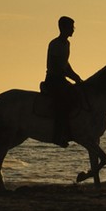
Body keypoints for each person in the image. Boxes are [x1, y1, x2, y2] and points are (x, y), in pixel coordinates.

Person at [40, 16, 82, 147]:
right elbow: (57, 66)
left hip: (61, 79)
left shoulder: (66, 44)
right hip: (54, 80)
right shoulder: (55, 44)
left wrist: (76, 77)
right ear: (63, 28)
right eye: (71, 27)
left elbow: (65, 64)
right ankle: (58, 135)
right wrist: (72, 77)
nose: (73, 30)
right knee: (63, 104)